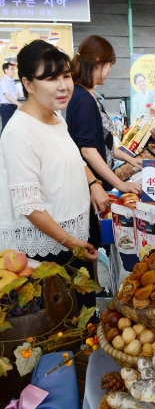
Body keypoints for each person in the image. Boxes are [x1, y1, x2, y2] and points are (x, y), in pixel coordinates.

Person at [0, 40, 106, 275]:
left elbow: (74, 159)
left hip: (71, 237)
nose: (63, 86)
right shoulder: (20, 132)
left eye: (66, 76)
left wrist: (93, 184)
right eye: (50, 79)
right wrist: (70, 242)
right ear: (28, 83)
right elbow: (29, 205)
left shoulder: (56, 118)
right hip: (48, 252)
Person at [66, 35, 142, 250]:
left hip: (95, 184)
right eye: (109, 65)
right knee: (95, 244)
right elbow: (89, 151)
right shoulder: (82, 99)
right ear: (98, 63)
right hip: (91, 188)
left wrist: (130, 159)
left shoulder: (86, 95)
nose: (109, 71)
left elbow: (102, 143)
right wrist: (121, 184)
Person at [0, 62, 20, 132]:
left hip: (13, 106)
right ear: (6, 70)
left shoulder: (12, 81)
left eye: (14, 69)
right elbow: (7, 96)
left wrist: (17, 94)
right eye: (11, 69)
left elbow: (15, 93)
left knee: (12, 127)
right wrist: (19, 104)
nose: (13, 71)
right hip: (6, 107)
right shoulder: (3, 81)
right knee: (5, 128)